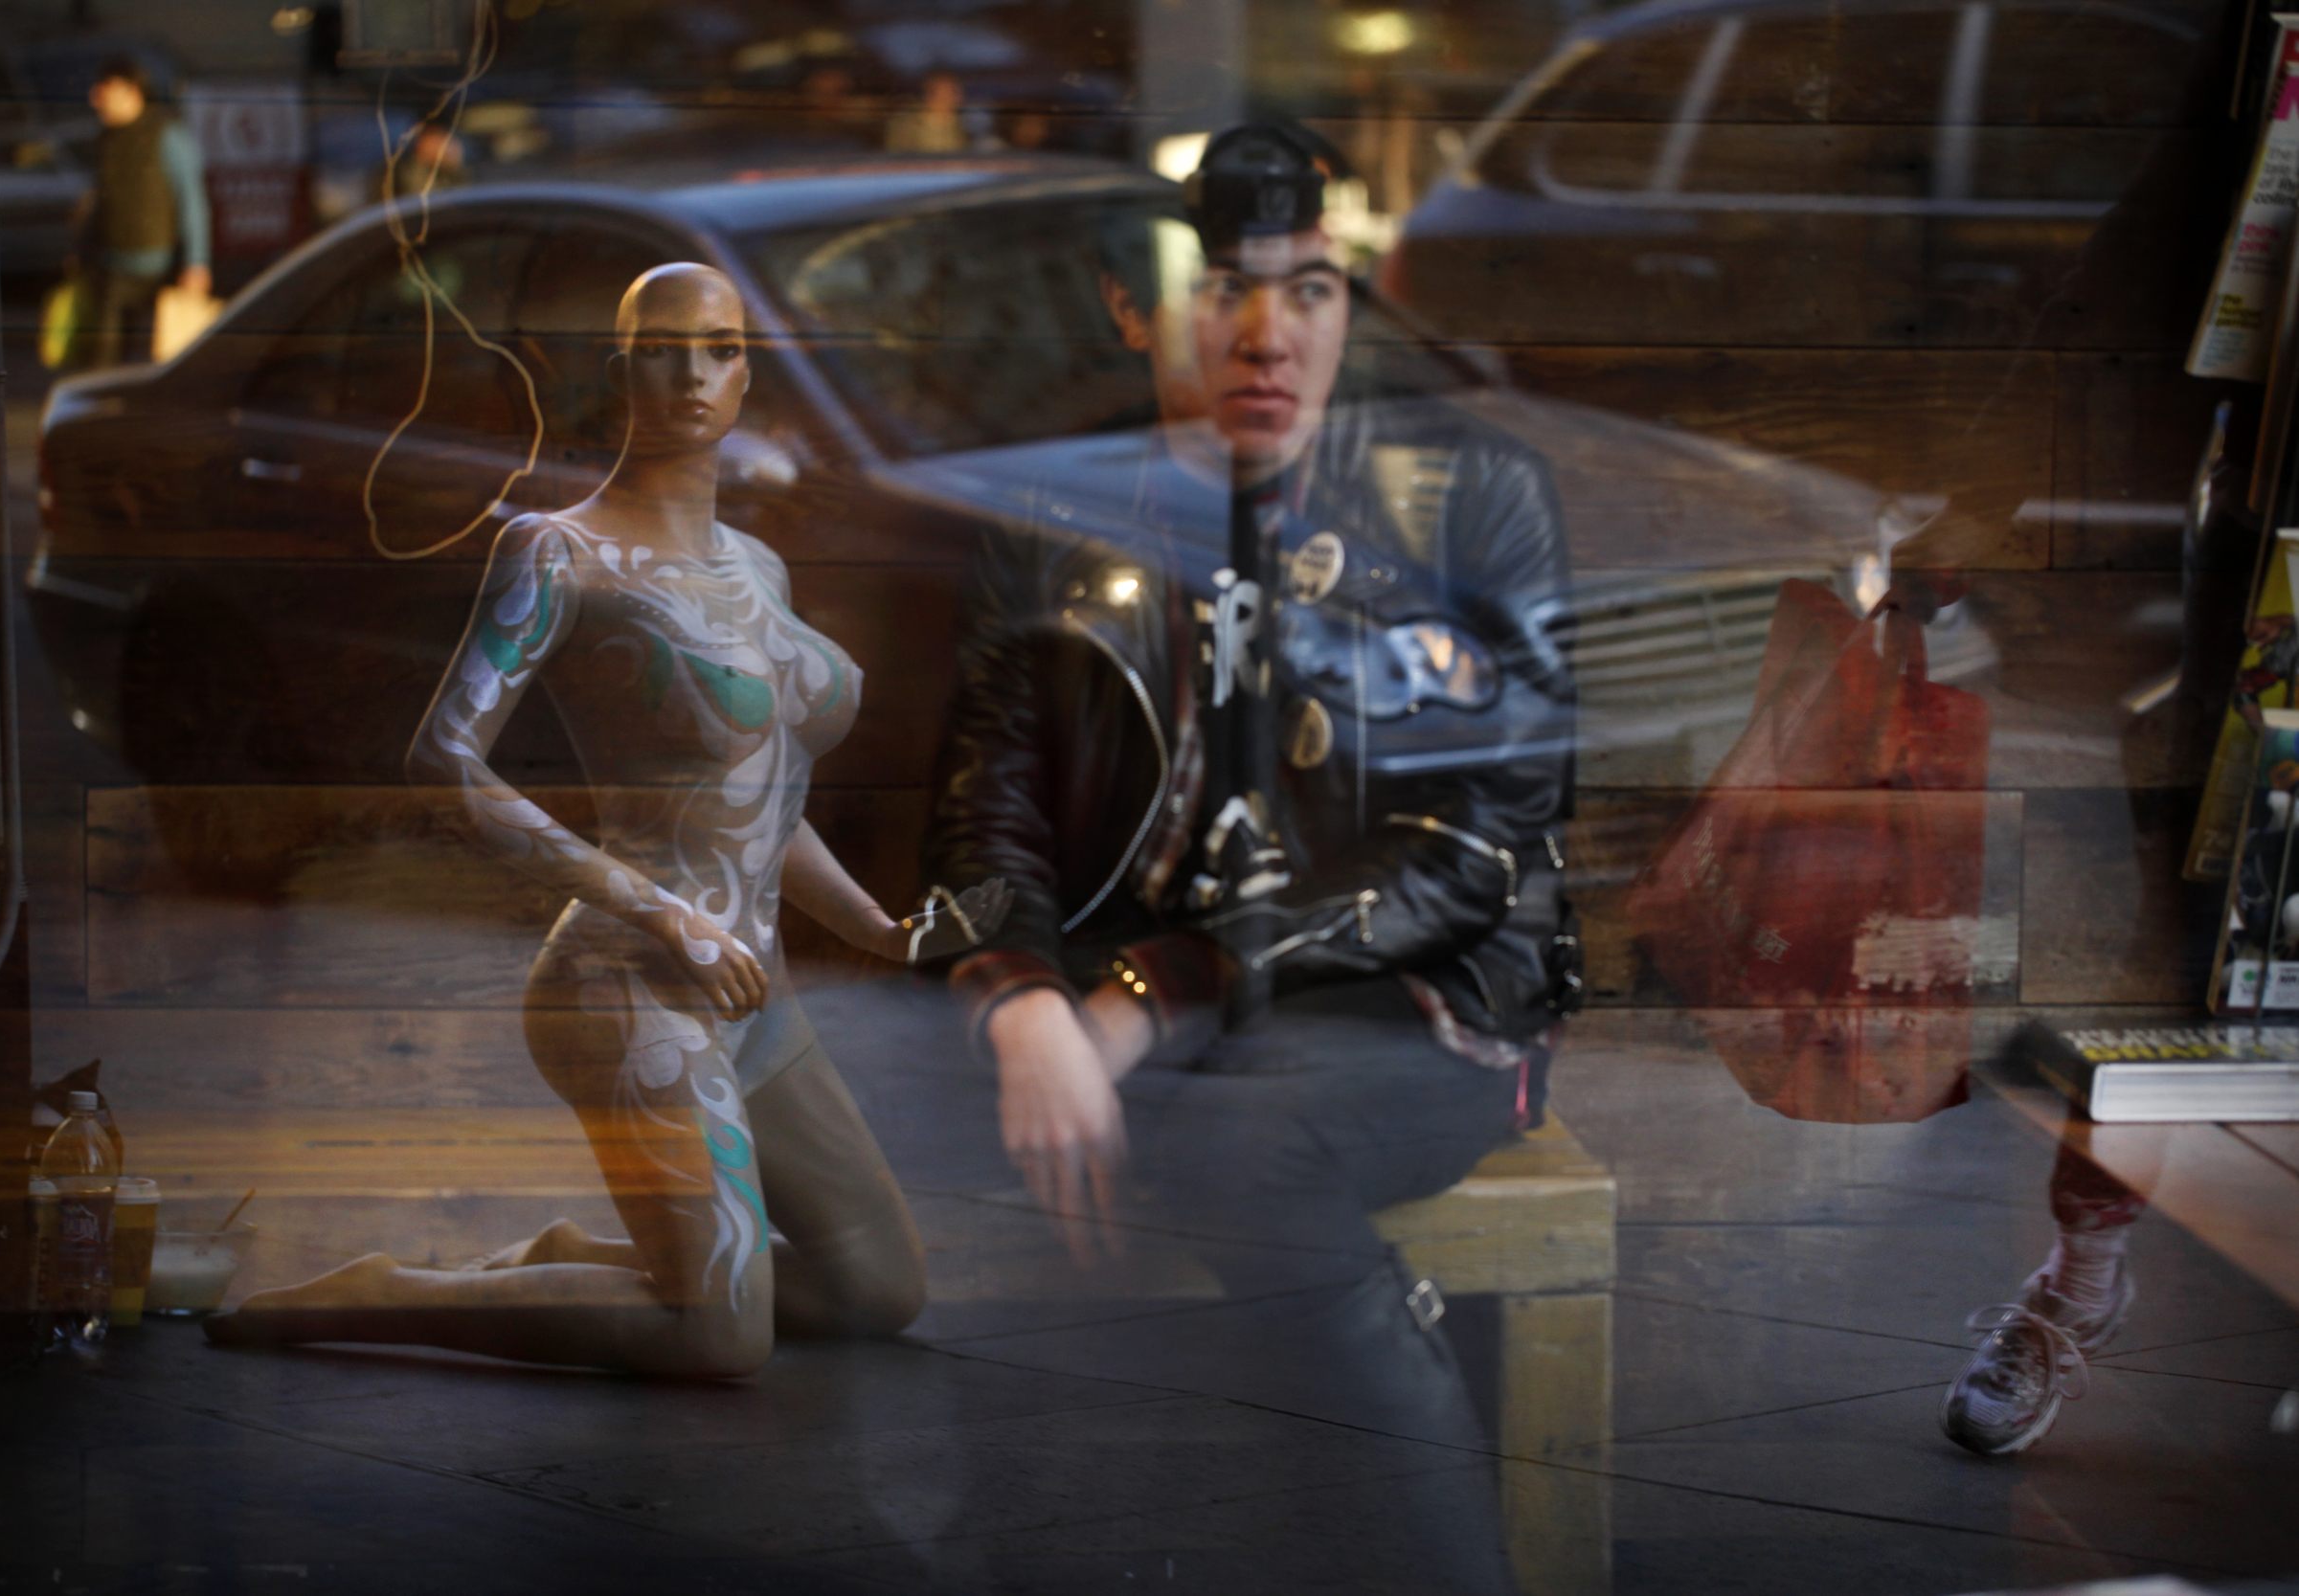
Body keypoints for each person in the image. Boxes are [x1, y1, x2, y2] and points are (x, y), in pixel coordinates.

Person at [922, 123, 1579, 1583]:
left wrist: (1158, 988)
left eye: (1312, 290)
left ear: (1351, 298)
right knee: (911, 1129)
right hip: (1115, 998)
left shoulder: (1468, 496)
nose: (1269, 335)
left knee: (1244, 1139)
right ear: (1133, 304)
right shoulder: (1047, 511)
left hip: (1407, 1007)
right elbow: (982, 800)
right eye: (1223, 287)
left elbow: (1479, 845)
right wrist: (1019, 988)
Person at [208, 263, 1005, 1375]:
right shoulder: (557, 549)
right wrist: (666, 917)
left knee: (880, 1288)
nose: (691, 373)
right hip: (628, 981)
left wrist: (879, 928)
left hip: (751, 990)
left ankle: (577, 1257)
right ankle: (386, 1290)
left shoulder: (759, 565)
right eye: (662, 349)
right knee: (723, 1342)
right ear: (621, 370)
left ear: (745, 372)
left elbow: (759, 794)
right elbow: (442, 756)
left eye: (720, 348)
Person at [70, 56, 211, 370]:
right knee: (102, 363)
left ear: (132, 91)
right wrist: (81, 250)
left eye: (105, 87)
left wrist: (196, 263)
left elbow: (192, 201)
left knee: (166, 363)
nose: (96, 97)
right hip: (114, 267)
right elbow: (100, 202)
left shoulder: (167, 136)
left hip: (163, 271)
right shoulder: (106, 138)